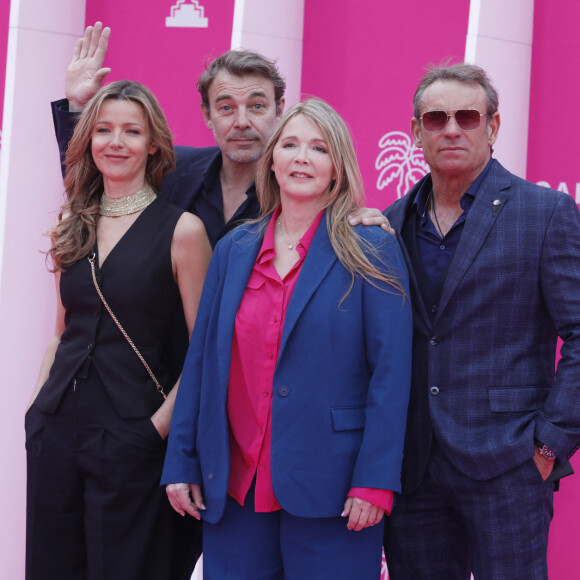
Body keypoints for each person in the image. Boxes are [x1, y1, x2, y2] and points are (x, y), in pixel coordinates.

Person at [160, 97, 413, 579]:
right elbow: (202, 364)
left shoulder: (372, 248)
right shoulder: (235, 247)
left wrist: (375, 481)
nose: (302, 157)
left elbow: (392, 373)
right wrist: (182, 460)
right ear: (271, 159)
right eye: (291, 144)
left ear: (337, 168)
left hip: (334, 491)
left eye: (318, 148)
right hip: (235, 489)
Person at [382, 62, 580, 579]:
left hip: (508, 463)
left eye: (467, 117)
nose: (451, 129)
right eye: (436, 118)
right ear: (415, 132)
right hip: (413, 466)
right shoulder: (389, 221)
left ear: (493, 127)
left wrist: (548, 444)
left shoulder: (545, 213)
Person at [25, 80, 212, 580]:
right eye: (104, 129)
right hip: (56, 427)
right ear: (87, 139)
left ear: (153, 143)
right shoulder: (73, 221)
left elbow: (205, 352)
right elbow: (61, 333)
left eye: (132, 131)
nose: (116, 141)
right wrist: (37, 409)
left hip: (132, 433)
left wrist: (155, 430)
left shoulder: (183, 230)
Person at [52, 23, 389, 249]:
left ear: (279, 108)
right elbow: (93, 190)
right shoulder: (171, 169)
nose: (241, 122)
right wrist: (79, 108)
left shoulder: (303, 189)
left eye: (256, 106)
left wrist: (355, 220)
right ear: (207, 115)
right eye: (226, 108)